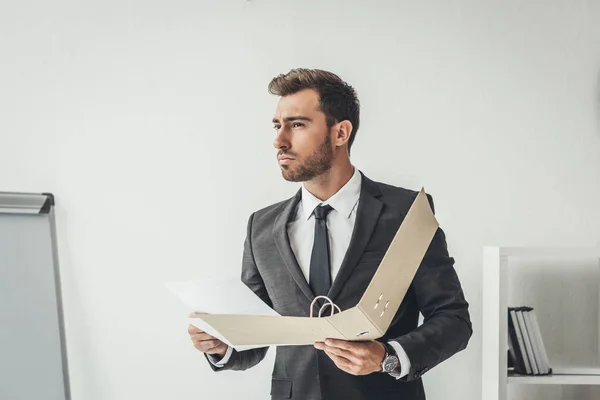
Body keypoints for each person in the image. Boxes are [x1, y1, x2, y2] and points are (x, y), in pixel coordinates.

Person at [188, 68, 472, 400]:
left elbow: (453, 320)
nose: (279, 140)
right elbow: (256, 337)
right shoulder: (261, 228)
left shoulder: (407, 213)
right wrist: (222, 345)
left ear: (340, 133)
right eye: (277, 126)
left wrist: (388, 357)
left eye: (297, 124)